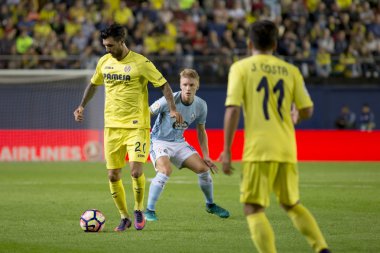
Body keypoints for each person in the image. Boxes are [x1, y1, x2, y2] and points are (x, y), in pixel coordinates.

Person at [219, 20, 331, 253]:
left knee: (253, 208)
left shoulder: (240, 68)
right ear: (275, 44)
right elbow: (307, 109)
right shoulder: (291, 70)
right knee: (291, 203)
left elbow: (232, 109)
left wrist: (227, 150)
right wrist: (296, 115)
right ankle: (321, 247)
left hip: (259, 149)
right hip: (287, 147)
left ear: (249, 43)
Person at [73, 24, 182, 232]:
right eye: (105, 45)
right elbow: (94, 84)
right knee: (113, 175)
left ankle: (139, 209)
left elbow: (164, 85)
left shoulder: (141, 63)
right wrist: (81, 106)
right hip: (112, 127)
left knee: (135, 170)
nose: (107, 49)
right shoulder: (104, 62)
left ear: (122, 42)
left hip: (137, 126)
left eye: (111, 45)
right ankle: (124, 217)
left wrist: (172, 109)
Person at [144, 68, 230, 221]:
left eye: (191, 85)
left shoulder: (201, 105)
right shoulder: (167, 101)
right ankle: (149, 210)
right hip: (158, 141)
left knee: (204, 169)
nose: (188, 88)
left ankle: (210, 205)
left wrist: (206, 155)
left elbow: (201, 131)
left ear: (197, 85)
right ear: (180, 85)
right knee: (165, 170)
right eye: (185, 85)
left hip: (179, 142)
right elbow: (146, 113)